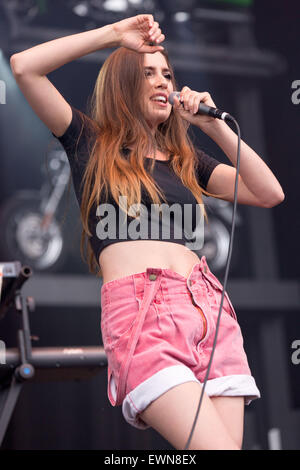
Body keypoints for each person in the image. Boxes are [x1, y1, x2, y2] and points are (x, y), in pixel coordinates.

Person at [10, 14, 284, 450]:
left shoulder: (185, 160)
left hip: (209, 311)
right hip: (146, 312)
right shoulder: (89, 142)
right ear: (121, 85)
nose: (162, 82)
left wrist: (212, 126)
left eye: (167, 74)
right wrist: (114, 36)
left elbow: (269, 192)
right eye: (147, 72)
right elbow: (24, 66)